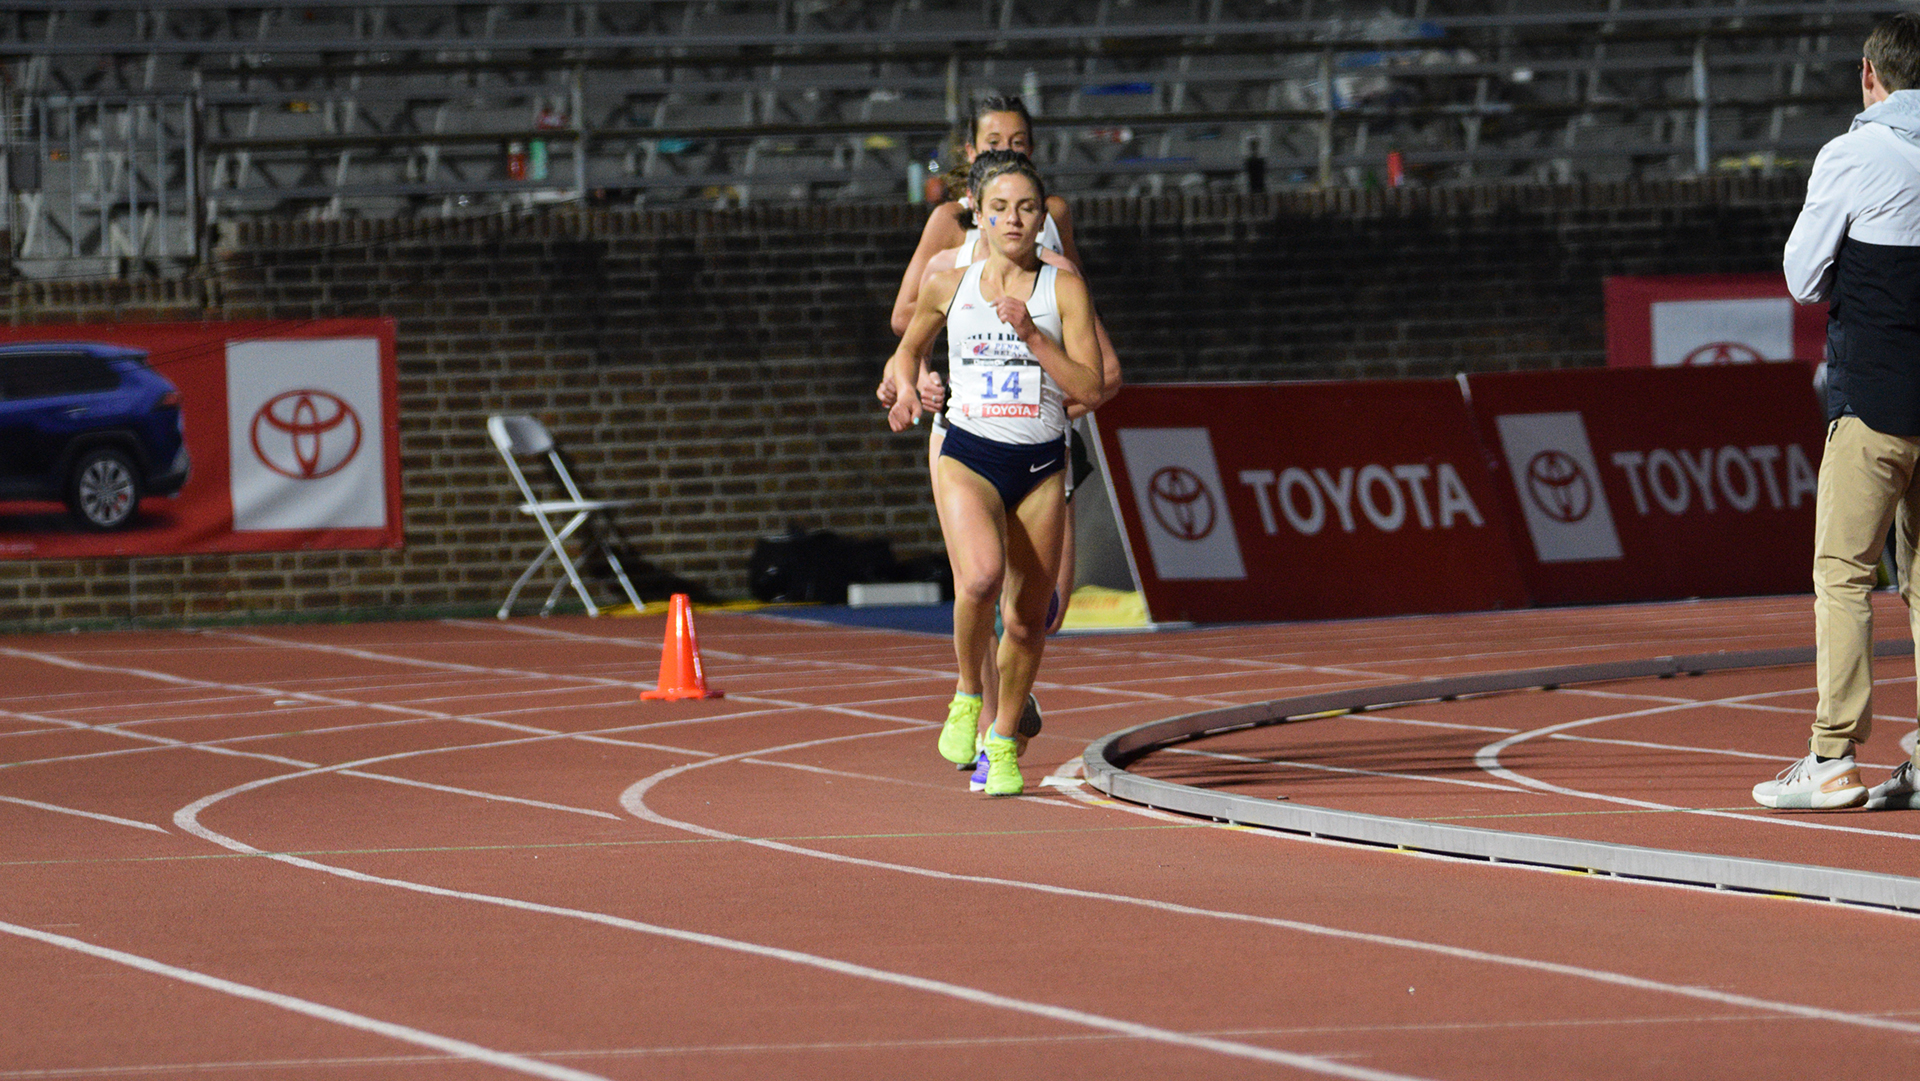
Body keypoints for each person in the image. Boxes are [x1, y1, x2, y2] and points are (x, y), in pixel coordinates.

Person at [883, 154, 1105, 796]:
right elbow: (907, 345)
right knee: (979, 578)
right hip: (969, 453)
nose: (1014, 219)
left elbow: (1090, 385)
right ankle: (965, 693)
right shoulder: (948, 280)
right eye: (1001, 207)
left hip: (1039, 463)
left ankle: (1003, 741)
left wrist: (1035, 338)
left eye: (1027, 208)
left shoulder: (1062, 288)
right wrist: (905, 385)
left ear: (1042, 219)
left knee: (1029, 620)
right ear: (977, 213)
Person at [1758, 12, 1920, 811]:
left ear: (1869, 72)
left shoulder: (1853, 153)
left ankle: (1831, 754)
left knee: (1844, 573)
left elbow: (1801, 273)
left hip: (1875, 403)